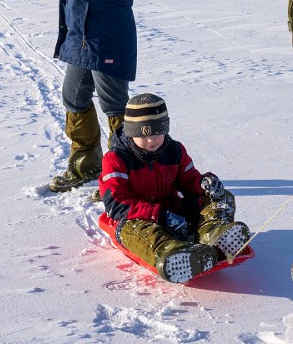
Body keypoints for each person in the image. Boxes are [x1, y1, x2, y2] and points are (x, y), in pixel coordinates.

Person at [48, 0, 150, 192]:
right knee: (74, 97)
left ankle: (125, 178)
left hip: (106, 38)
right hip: (85, 38)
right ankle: (86, 164)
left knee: (115, 107)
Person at [99, 93, 251, 283]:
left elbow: (189, 181)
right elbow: (117, 205)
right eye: (142, 135)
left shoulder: (174, 150)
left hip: (173, 211)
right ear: (130, 132)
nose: (151, 140)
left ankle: (212, 235)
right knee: (136, 229)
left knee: (220, 197)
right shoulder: (116, 160)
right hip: (135, 217)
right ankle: (172, 252)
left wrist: (204, 184)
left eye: (157, 132)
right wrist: (159, 215)